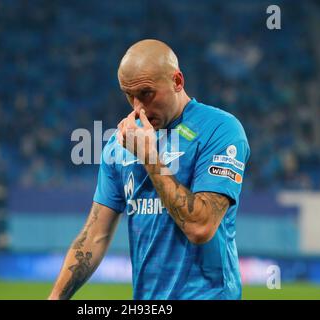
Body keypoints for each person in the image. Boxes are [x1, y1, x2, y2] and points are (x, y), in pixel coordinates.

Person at [49, 39, 250, 300]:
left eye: (146, 93)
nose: (137, 107)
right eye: (128, 95)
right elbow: (94, 236)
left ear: (177, 81)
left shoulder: (220, 130)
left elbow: (200, 227)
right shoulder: (119, 144)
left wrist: (149, 156)